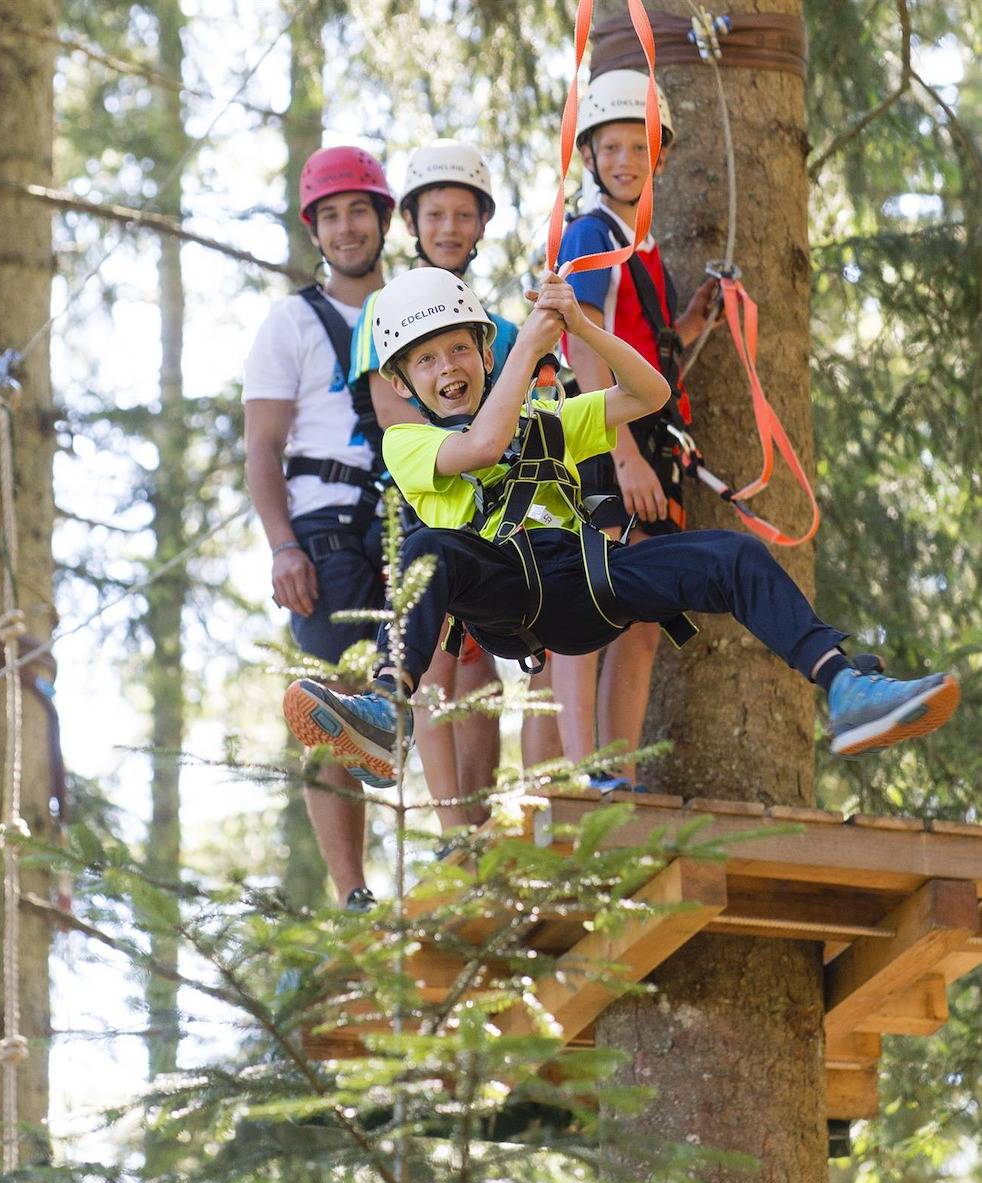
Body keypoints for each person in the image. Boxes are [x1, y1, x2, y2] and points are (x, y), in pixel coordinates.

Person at [281, 267, 960, 791]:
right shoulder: (408, 444)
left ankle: (843, 684)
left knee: (733, 555)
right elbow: (483, 447)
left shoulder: (548, 420)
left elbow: (648, 395)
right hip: (505, 591)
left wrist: (581, 326)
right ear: (403, 382)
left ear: (483, 355)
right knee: (430, 549)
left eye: (459, 350)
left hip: (588, 584)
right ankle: (385, 709)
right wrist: (533, 351)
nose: (447, 369)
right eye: (425, 362)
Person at [350, 140, 558, 832]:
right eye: (435, 214)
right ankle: (450, 831)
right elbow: (391, 416)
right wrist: (469, 451)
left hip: (495, 504)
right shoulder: (381, 312)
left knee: (482, 675)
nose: (448, 229)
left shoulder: (492, 325)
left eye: (462, 215)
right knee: (436, 664)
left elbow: (520, 416)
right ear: (411, 222)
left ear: (481, 225)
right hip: (423, 501)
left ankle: (491, 824)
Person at [553, 69, 722, 792]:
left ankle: (614, 772)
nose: (625, 161)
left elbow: (645, 352)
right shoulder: (592, 235)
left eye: (639, 147)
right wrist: (621, 455)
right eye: (611, 147)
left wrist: (695, 324)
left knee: (643, 613)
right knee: (589, 597)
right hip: (607, 443)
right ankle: (584, 765)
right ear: (589, 157)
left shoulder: (642, 248)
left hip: (649, 442)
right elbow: (583, 340)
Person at [244, 145, 394, 912]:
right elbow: (263, 448)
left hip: (409, 511)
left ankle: (467, 852)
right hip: (326, 524)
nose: (345, 228)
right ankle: (353, 892)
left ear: (382, 219)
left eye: (357, 212)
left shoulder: (416, 306)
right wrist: (282, 545)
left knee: (442, 681)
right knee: (332, 706)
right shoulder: (291, 324)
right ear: (315, 230)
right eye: (330, 216)